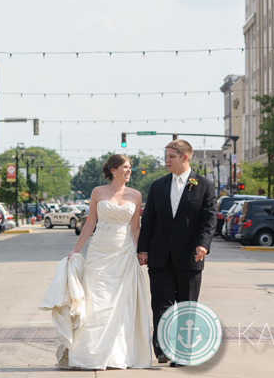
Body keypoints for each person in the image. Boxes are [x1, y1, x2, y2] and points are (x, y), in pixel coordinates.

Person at [42, 154, 151, 369]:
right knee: (95, 302)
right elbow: (90, 223)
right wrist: (76, 250)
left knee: (120, 305)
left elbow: (135, 227)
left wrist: (142, 251)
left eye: (130, 167)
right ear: (113, 170)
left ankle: (117, 355)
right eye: (125, 167)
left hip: (124, 253)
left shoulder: (136, 195)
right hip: (99, 252)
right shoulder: (98, 192)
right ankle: (89, 354)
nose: (129, 171)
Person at [137, 140, 216, 365]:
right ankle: (162, 348)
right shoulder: (157, 185)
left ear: (185, 158)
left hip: (190, 257)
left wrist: (204, 244)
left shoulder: (205, 186)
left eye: (172, 156)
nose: (167, 160)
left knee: (186, 306)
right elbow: (149, 219)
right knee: (161, 305)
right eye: (167, 156)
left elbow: (209, 219)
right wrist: (143, 249)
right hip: (159, 256)